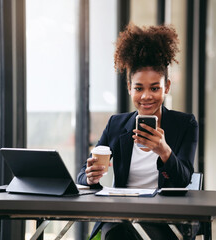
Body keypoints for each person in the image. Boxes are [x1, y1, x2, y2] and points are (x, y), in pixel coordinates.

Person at [77, 23, 199, 240]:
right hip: (121, 216)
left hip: (164, 220)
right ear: (129, 87)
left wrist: (164, 151)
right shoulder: (116, 124)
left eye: (155, 88)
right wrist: (90, 176)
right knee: (121, 232)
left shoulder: (185, 124)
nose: (146, 96)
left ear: (167, 87)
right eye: (139, 88)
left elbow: (183, 179)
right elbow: (82, 174)